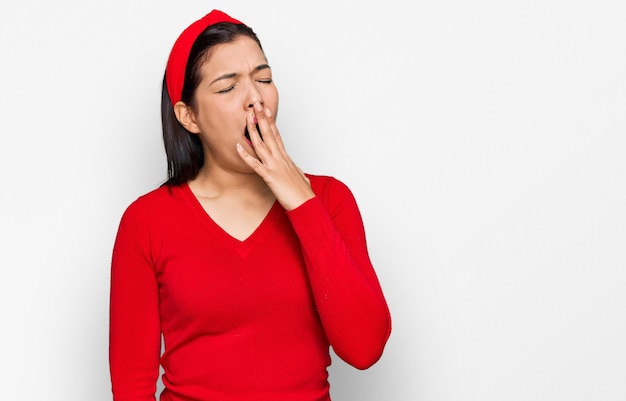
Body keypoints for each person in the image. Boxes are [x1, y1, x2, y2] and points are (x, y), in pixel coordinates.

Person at [109, 9, 391, 401]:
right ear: (189, 117)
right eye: (228, 88)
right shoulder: (146, 221)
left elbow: (365, 349)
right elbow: (131, 386)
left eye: (264, 79)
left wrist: (301, 203)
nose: (256, 98)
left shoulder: (328, 200)